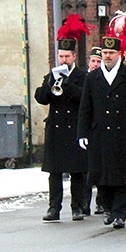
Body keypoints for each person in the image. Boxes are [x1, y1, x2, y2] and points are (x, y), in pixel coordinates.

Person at [77, 36, 126, 229]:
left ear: (120, 54)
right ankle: (107, 207)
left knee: (122, 175)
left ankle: (119, 213)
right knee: (101, 175)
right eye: (104, 53)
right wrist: (82, 133)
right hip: (99, 133)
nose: (107, 56)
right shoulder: (92, 77)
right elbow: (86, 107)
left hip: (124, 133)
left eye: (111, 53)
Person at [35, 32, 87, 222]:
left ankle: (77, 207)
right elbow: (41, 98)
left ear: (74, 57)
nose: (64, 60)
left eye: (67, 56)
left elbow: (84, 99)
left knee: (77, 171)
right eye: (61, 56)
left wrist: (68, 85)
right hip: (56, 129)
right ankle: (54, 208)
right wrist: (49, 85)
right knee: (54, 172)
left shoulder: (82, 76)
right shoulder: (52, 75)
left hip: (74, 128)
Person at [83, 46, 103, 214]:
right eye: (93, 61)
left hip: (99, 128)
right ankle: (84, 203)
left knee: (98, 168)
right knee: (85, 169)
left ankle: (100, 202)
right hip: (86, 128)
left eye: (98, 61)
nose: (95, 64)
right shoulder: (85, 78)